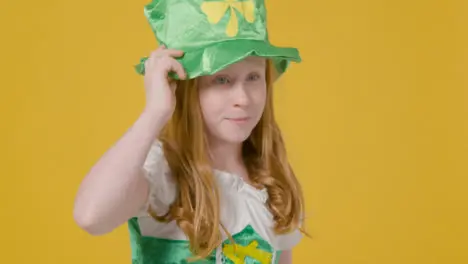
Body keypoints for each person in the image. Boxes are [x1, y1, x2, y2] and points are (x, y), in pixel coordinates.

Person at [73, 0, 307, 263]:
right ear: (185, 87)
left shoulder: (273, 185)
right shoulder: (161, 172)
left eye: (253, 77)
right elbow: (90, 216)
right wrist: (154, 114)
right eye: (221, 79)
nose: (242, 97)